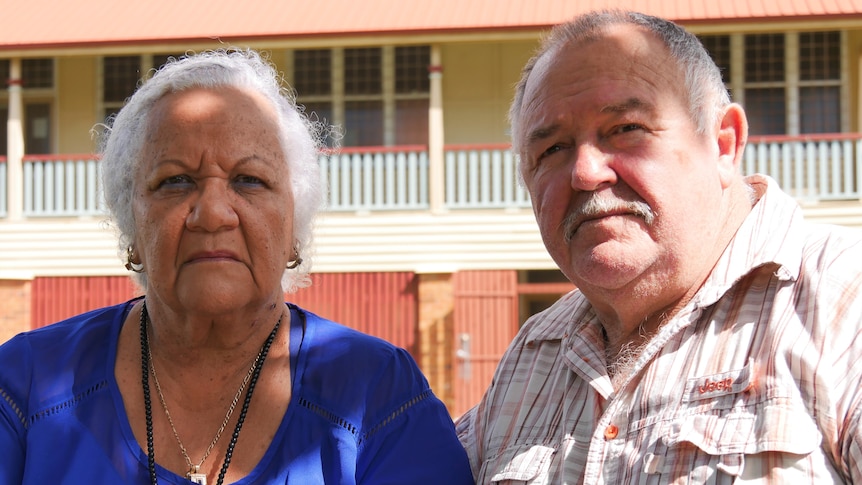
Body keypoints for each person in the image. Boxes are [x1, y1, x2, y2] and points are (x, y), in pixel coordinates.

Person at [0, 49, 473, 485]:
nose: (212, 213)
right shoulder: (23, 387)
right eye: (175, 181)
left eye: (249, 180)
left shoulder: (379, 398)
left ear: (293, 229)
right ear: (133, 229)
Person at [456, 9, 862, 483]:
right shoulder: (531, 353)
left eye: (626, 128)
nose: (585, 172)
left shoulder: (841, 300)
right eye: (551, 150)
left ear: (723, 145)